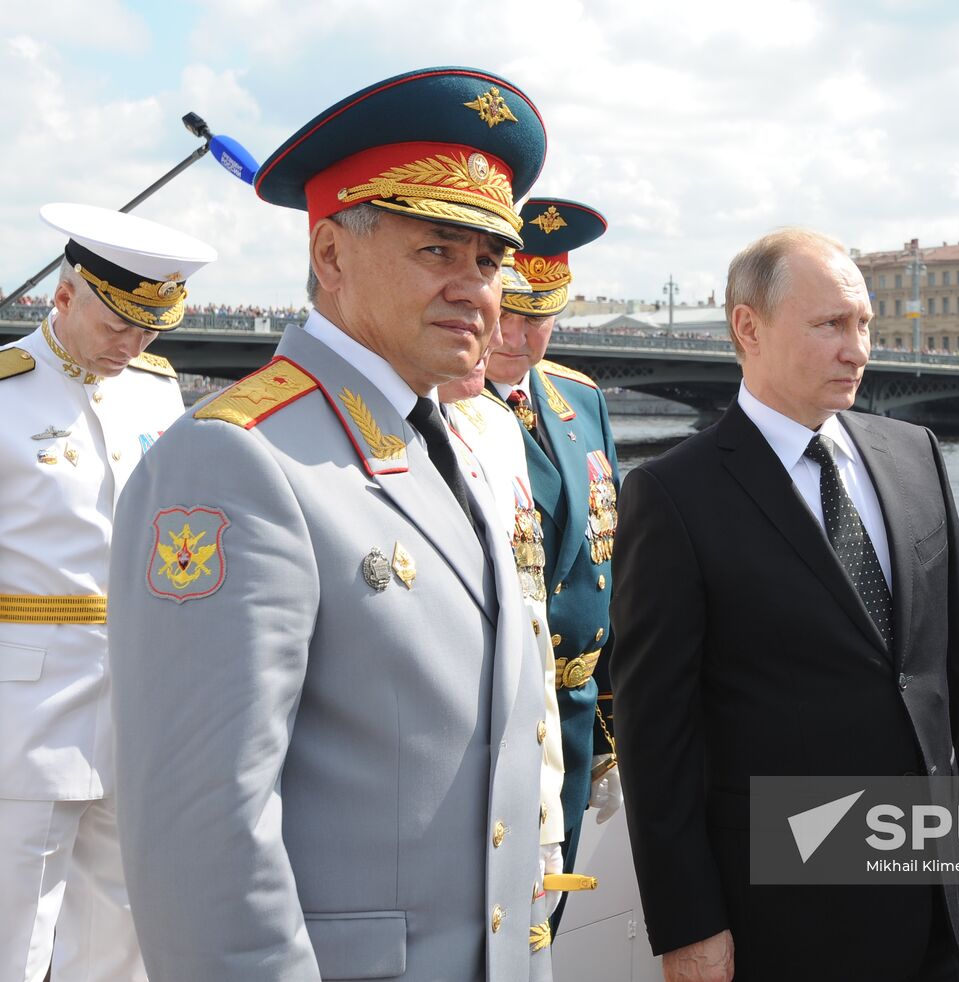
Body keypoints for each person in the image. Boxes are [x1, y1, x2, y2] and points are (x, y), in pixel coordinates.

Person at [106, 68, 554, 981]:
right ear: (332, 257)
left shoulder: (457, 444)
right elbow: (206, 839)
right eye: (438, 250)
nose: (476, 288)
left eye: (490, 260)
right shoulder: (239, 460)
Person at [610, 228, 959, 982]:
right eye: (831, 324)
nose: (858, 349)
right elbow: (655, 734)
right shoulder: (673, 494)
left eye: (864, 324)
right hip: (784, 909)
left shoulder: (914, 453)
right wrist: (689, 921)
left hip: (932, 889)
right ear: (748, 328)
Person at [0, 202, 214, 982]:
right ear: (63, 298)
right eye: (119, 324)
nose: (135, 344)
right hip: (22, 714)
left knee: (122, 941)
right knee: (12, 936)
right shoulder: (4, 396)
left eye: (151, 328)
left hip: (138, 706)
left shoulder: (157, 391)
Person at [484, 198, 622, 929]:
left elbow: (612, 569)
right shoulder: (445, 409)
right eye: (505, 312)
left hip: (571, 720)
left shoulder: (579, 399)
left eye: (537, 317)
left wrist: (610, 730)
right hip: (498, 717)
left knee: (547, 932)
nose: (517, 336)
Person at [439, 261, 568, 922]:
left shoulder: (495, 427)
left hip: (523, 765)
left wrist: (545, 807)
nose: (500, 338)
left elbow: (531, 620)